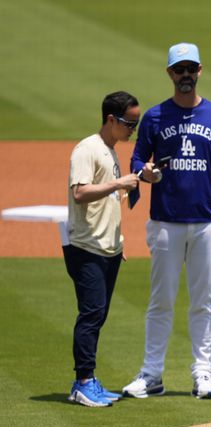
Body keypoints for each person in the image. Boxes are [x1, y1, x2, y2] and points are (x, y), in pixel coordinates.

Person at [122, 42, 211, 400]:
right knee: (161, 300)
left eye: (191, 69)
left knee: (203, 300)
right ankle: (151, 374)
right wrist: (146, 174)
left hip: (204, 221)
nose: (185, 75)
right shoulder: (156, 117)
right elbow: (137, 161)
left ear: (199, 71)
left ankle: (203, 373)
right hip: (165, 222)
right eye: (179, 70)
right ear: (170, 73)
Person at [64, 91, 145, 407]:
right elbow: (80, 192)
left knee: (98, 315)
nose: (132, 130)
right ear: (111, 119)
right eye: (129, 123)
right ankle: (82, 383)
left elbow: (109, 205)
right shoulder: (88, 149)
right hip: (86, 248)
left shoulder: (110, 150)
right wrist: (119, 183)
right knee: (91, 313)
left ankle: (89, 379)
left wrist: (117, 241)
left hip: (107, 248)